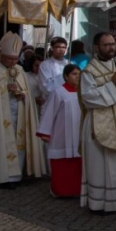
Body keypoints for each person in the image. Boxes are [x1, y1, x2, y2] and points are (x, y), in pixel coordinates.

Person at [0, 32, 46, 186]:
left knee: (18, 141)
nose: (13, 62)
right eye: (9, 58)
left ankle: (17, 175)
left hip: (19, 112)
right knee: (2, 142)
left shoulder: (20, 70)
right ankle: (2, 176)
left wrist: (23, 95)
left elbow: (28, 93)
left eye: (15, 58)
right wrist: (4, 88)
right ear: (2, 56)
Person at [79, 33, 116, 212]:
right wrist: (112, 84)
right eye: (106, 45)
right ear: (97, 47)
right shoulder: (89, 71)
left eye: (113, 44)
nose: (111, 48)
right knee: (100, 164)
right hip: (98, 121)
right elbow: (88, 98)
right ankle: (100, 202)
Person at [36, 64, 83, 198]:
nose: (77, 77)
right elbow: (49, 112)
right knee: (62, 162)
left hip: (79, 133)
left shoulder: (84, 93)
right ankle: (60, 190)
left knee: (78, 162)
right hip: (62, 133)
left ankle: (77, 189)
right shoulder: (59, 92)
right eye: (74, 74)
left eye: (79, 74)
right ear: (66, 76)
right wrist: (45, 132)